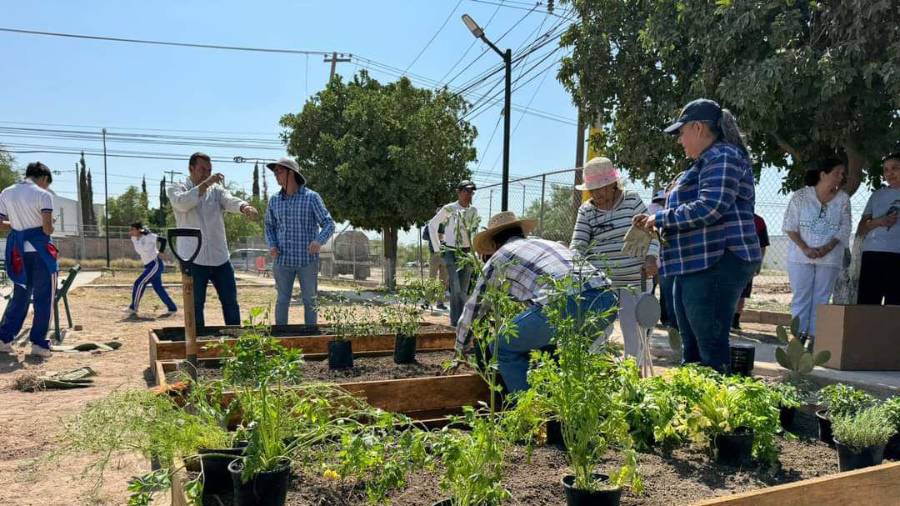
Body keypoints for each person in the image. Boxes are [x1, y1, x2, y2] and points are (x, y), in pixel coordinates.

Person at [633, 98, 761, 373]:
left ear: (699, 128)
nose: (680, 140)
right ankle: (695, 408)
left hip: (719, 259)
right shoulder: (704, 162)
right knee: (691, 347)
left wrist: (661, 217)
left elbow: (710, 207)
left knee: (710, 350)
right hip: (697, 262)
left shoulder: (722, 155)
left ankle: (718, 409)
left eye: (681, 132)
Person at [457, 211, 615, 393]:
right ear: (521, 233)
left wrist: (460, 347)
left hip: (566, 302)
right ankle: (559, 413)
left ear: (494, 244)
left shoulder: (499, 258)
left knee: (500, 347)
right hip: (606, 299)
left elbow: (474, 308)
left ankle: (528, 411)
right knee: (561, 356)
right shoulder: (547, 243)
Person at [570, 157, 658, 359]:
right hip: (602, 285)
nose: (596, 194)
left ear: (613, 184)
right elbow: (578, 246)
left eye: (601, 188)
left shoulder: (632, 200)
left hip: (635, 281)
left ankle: (633, 381)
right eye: (592, 190)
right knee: (596, 336)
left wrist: (651, 257)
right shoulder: (587, 211)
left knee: (635, 338)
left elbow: (652, 232)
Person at [167, 152, 259, 330]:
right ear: (191, 168)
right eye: (202, 169)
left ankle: (235, 342)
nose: (206, 173)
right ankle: (197, 346)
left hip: (220, 257)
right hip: (193, 259)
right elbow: (182, 203)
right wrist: (206, 183)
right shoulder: (177, 188)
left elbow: (229, 200)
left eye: (209, 170)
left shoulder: (216, 190)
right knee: (195, 306)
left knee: (230, 302)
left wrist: (244, 207)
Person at [783, 158, 851, 338]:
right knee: (801, 297)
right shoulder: (800, 196)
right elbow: (790, 226)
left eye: (842, 174)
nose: (841, 177)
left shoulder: (843, 199)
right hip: (800, 256)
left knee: (822, 299)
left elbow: (845, 227)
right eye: (837, 173)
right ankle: (797, 338)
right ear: (823, 174)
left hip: (830, 258)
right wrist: (805, 248)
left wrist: (827, 247)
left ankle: (815, 338)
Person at [264, 157, 334, 326]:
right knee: (282, 300)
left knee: (310, 301)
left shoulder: (311, 198)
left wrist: (318, 241)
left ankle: (310, 334)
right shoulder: (274, 200)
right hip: (282, 261)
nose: (276, 175)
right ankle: (281, 337)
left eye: (279, 171)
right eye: (274, 172)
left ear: (291, 173)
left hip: (307, 261)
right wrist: (272, 245)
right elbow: (268, 226)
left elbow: (328, 223)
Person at [0, 162, 58, 358]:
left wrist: (18, 225)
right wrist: (49, 224)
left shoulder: (6, 192)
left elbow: (0, 223)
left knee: (20, 295)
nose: (47, 186)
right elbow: (47, 229)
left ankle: (4, 338)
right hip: (40, 252)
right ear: (43, 178)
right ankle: (39, 344)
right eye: (47, 183)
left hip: (18, 252)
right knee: (45, 298)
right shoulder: (43, 195)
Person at [428, 180, 479, 326]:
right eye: (466, 191)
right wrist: (438, 249)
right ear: (458, 192)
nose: (469, 195)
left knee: (463, 290)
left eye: (471, 192)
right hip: (451, 251)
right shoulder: (449, 208)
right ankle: (455, 322)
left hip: (467, 253)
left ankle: (462, 322)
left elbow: (474, 232)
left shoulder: (473, 211)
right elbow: (432, 225)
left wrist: (475, 254)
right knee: (455, 288)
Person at [855, 152, 900, 305]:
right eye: (886, 169)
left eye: (895, 168)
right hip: (873, 255)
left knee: (894, 310)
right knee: (867, 306)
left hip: (897, 256)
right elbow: (861, 228)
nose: (890, 173)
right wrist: (879, 221)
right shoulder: (877, 195)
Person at [127, 222, 177, 316]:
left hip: (155, 264)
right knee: (158, 288)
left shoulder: (149, 236)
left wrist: (161, 252)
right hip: (148, 266)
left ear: (138, 229)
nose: (131, 231)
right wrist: (137, 233)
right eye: (131, 229)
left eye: (133, 229)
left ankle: (133, 307)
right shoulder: (134, 238)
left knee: (139, 283)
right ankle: (172, 308)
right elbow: (140, 246)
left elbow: (163, 240)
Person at [732, 214, 770, 329]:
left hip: (747, 262)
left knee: (741, 294)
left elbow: (762, 245)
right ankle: (727, 321)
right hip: (730, 262)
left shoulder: (758, 221)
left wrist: (758, 263)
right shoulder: (730, 216)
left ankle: (735, 321)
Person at [424, 206, 448, 310]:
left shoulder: (447, 224)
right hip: (434, 254)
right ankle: (427, 301)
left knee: (443, 281)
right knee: (431, 279)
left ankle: (440, 303)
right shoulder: (431, 224)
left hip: (445, 255)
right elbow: (424, 236)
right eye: (439, 212)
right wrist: (436, 236)